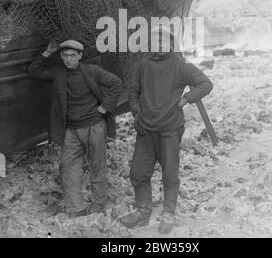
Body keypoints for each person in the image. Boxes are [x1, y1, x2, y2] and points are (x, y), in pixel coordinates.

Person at [119, 25, 213, 233]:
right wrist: (136, 112)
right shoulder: (143, 65)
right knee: (138, 173)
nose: (159, 46)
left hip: (170, 129)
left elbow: (205, 84)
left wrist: (186, 99)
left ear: (171, 44)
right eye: (154, 42)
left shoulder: (180, 65)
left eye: (163, 42)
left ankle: (168, 213)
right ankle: (143, 211)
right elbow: (133, 92)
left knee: (170, 174)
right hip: (146, 129)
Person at [28, 40, 123, 217]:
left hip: (94, 127)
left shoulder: (91, 71)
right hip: (71, 130)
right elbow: (34, 71)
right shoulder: (58, 73)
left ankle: (98, 204)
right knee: (68, 167)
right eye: (65, 56)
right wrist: (47, 51)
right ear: (61, 57)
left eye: (73, 56)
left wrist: (105, 107)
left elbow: (116, 83)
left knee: (97, 167)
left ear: (80, 56)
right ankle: (76, 208)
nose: (69, 60)